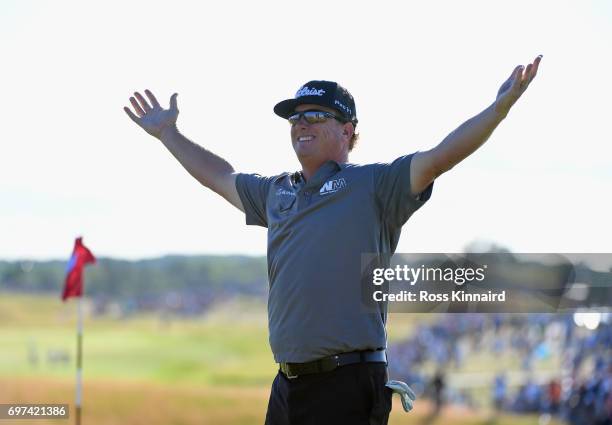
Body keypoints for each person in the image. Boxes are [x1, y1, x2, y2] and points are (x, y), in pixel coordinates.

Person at [124, 55, 542, 425]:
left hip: (347, 383)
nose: (301, 123)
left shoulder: (374, 185)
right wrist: (168, 135)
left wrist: (498, 109)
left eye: (315, 115)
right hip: (286, 384)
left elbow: (440, 156)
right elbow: (220, 176)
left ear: (347, 130)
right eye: (295, 117)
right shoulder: (277, 191)